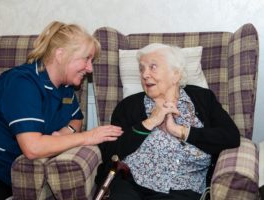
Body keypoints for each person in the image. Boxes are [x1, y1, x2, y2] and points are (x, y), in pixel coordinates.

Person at [0, 21, 123, 200]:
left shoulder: (66, 88)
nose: (90, 68)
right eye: (86, 59)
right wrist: (88, 137)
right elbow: (33, 147)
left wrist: (64, 133)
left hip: (6, 169)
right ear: (60, 54)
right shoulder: (22, 83)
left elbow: (76, 119)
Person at [95, 43, 240, 200]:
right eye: (142, 69)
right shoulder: (128, 106)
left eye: (153, 67)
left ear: (176, 74)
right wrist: (148, 123)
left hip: (183, 188)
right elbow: (110, 152)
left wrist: (180, 131)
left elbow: (231, 136)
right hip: (129, 183)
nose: (145, 74)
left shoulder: (203, 99)